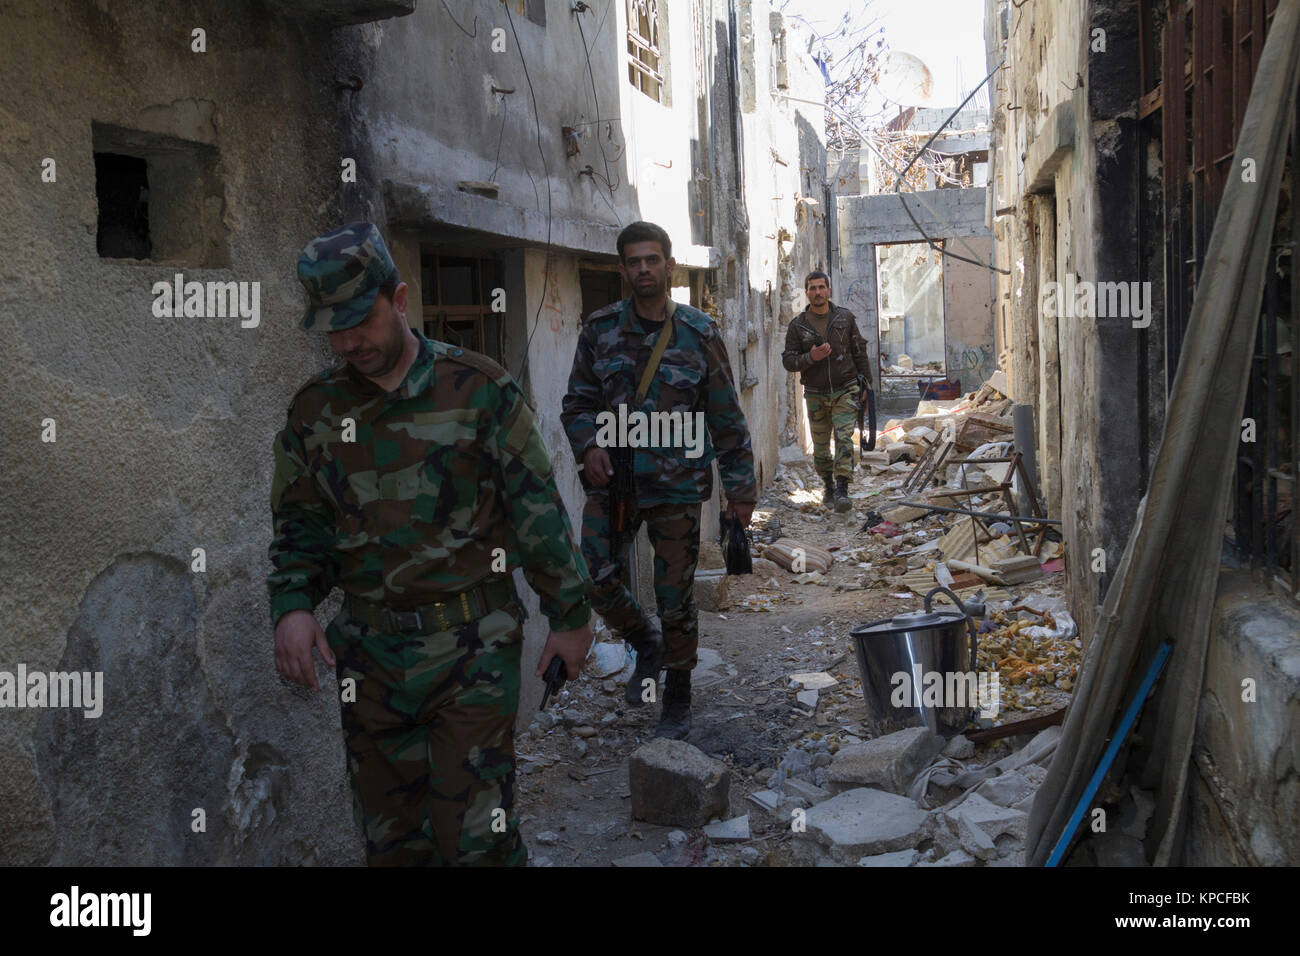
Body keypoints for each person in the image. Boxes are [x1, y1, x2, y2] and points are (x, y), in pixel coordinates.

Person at [267, 221, 594, 866]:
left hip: (471, 650)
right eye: (333, 328)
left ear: (400, 298)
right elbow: (300, 524)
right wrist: (294, 605)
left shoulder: (479, 390)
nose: (349, 341)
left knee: (478, 842)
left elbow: (537, 513)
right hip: (371, 658)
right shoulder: (315, 413)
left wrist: (571, 615)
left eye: (360, 318)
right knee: (394, 845)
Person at [561, 221, 757, 740]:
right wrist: (589, 446)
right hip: (615, 484)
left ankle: (677, 695)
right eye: (633, 261)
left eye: (652, 259)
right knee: (594, 575)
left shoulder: (699, 332)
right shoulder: (599, 329)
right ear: (622, 268)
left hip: (677, 486)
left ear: (670, 265)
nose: (643, 269)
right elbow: (577, 402)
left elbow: (726, 419)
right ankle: (643, 642)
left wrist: (741, 493)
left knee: (674, 595)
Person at [781, 270, 872, 513]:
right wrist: (810, 357)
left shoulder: (845, 318)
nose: (817, 292)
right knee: (821, 448)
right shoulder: (798, 326)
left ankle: (842, 489)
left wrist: (867, 387)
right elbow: (788, 361)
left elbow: (859, 351)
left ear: (829, 290)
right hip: (815, 393)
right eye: (812, 288)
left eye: (821, 287)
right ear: (807, 292)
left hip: (846, 388)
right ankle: (828, 486)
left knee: (844, 439)